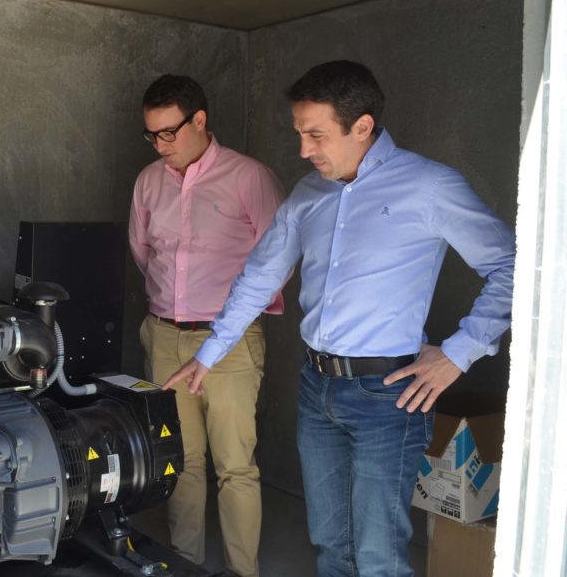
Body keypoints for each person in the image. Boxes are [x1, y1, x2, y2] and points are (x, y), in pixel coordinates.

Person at [163, 60, 515, 577]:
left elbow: (510, 266)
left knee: (378, 557)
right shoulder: (308, 194)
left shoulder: (429, 186)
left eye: (316, 135)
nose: (304, 150)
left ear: (362, 126)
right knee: (330, 543)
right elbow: (260, 277)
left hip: (389, 396)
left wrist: (458, 353)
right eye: (299, 134)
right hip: (317, 388)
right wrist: (209, 353)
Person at [129, 74, 285, 576]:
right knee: (181, 459)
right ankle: (185, 565)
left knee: (235, 465)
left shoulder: (250, 178)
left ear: (199, 120)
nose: (160, 145)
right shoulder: (148, 181)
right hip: (164, 335)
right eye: (151, 134)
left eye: (168, 132)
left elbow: (278, 259)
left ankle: (242, 572)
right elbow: (143, 252)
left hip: (231, 340)